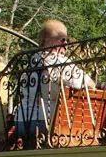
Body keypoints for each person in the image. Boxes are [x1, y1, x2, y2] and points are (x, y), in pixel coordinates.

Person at [14, 19, 97, 147]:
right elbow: (83, 82)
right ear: (47, 40)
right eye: (62, 40)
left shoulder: (32, 60)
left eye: (67, 40)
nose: (66, 45)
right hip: (45, 122)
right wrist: (94, 84)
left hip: (21, 120)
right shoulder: (55, 59)